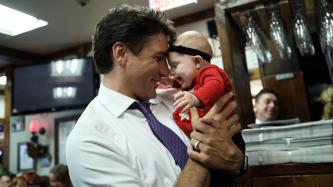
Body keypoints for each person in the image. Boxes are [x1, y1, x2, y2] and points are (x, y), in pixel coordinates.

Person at [66, 4, 245, 187]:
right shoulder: (89, 140)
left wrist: (238, 163)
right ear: (121, 54)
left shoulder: (177, 97)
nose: (167, 72)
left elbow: (235, 164)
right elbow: (208, 148)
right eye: (159, 58)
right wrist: (203, 149)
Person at [168, 30, 233, 137]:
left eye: (174, 65)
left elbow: (215, 86)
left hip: (228, 135)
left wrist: (195, 98)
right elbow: (188, 86)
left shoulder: (211, 71)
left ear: (197, 62)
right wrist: (173, 82)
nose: (171, 72)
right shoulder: (195, 80)